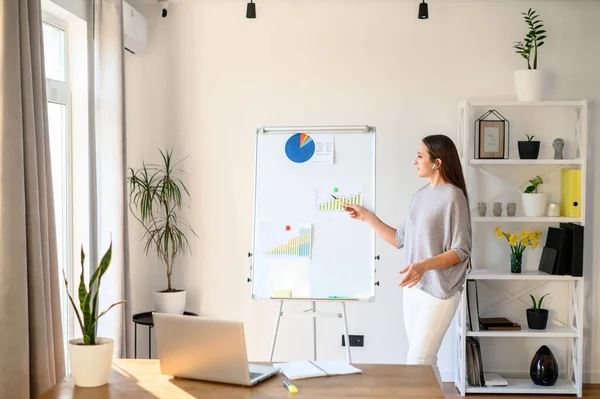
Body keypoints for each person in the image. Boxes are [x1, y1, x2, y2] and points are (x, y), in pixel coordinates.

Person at [344, 134, 472, 389]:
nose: (414, 161)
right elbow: (399, 239)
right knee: (425, 361)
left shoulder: (453, 197)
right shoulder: (421, 195)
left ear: (437, 162)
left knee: (417, 360)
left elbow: (461, 251)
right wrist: (366, 216)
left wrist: (423, 265)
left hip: (440, 291)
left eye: (420, 156)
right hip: (413, 289)